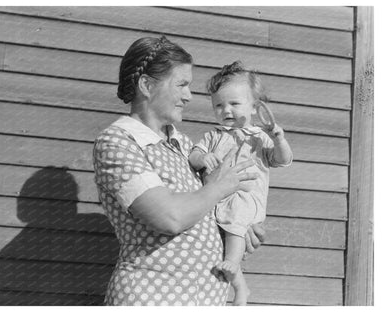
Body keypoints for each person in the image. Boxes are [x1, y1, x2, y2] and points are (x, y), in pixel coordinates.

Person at [92, 36, 266, 306]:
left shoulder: (184, 145)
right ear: (146, 85)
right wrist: (220, 186)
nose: (189, 96)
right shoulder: (119, 142)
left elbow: (203, 211)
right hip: (153, 297)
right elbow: (169, 217)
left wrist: (239, 226)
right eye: (182, 85)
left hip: (206, 298)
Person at [189, 61, 293, 305]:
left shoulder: (260, 138)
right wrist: (203, 157)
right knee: (220, 240)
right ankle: (241, 288)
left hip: (246, 198)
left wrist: (278, 139)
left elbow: (283, 160)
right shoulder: (213, 135)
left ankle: (234, 265)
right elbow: (193, 155)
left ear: (255, 107)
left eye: (234, 104)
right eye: (218, 105)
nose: (226, 110)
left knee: (236, 221)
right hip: (217, 200)